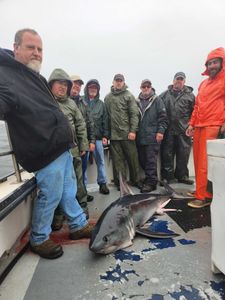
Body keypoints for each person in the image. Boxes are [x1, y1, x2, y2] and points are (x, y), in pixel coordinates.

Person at [0, 29, 93, 259]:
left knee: (68, 190)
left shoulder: (35, 76)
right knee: (50, 194)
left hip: (60, 146)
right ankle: (39, 238)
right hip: (42, 149)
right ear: (16, 48)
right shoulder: (5, 75)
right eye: (31, 47)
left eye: (40, 49)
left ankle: (77, 224)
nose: (37, 53)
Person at [48, 68, 90, 225]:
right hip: (54, 154)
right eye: (59, 83)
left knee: (78, 181)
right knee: (57, 185)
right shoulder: (46, 101)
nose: (62, 87)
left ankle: (82, 208)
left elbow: (81, 125)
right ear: (51, 84)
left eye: (65, 84)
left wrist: (83, 145)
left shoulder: (72, 104)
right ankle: (58, 215)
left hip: (73, 150)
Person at [186, 47, 225, 208]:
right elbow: (197, 106)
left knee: (204, 163)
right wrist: (191, 124)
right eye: (209, 63)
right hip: (200, 125)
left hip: (213, 124)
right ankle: (202, 191)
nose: (212, 66)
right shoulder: (203, 84)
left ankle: (202, 197)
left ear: (222, 63)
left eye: (215, 62)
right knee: (197, 160)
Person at [104, 74, 140, 188]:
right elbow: (106, 117)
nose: (118, 83)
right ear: (113, 82)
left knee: (133, 159)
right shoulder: (107, 97)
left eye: (121, 81)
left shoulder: (129, 96)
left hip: (127, 135)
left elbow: (134, 114)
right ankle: (121, 183)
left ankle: (136, 180)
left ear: (123, 82)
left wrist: (133, 131)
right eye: (116, 81)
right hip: (114, 136)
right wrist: (106, 134)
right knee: (117, 162)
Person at [160, 72, 195, 185]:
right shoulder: (164, 95)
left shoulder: (191, 96)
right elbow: (159, 113)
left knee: (183, 154)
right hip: (168, 131)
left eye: (181, 79)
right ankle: (167, 177)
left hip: (184, 131)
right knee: (167, 154)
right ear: (173, 80)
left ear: (184, 82)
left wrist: (191, 126)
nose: (178, 81)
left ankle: (182, 176)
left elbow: (195, 112)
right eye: (177, 79)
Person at [136, 79, 168, 192]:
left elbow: (163, 118)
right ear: (140, 88)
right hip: (140, 137)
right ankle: (149, 178)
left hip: (153, 136)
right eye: (143, 86)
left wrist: (160, 132)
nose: (145, 88)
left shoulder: (157, 100)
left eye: (147, 86)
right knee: (142, 160)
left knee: (151, 161)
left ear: (151, 87)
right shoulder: (137, 101)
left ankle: (152, 182)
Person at [70, 75, 96, 202]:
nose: (77, 86)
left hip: (83, 146)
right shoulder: (62, 101)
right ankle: (73, 198)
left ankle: (82, 194)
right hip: (69, 148)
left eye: (79, 85)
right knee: (71, 175)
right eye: (74, 83)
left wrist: (91, 141)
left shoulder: (84, 103)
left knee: (82, 172)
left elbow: (90, 123)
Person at [83, 79, 110, 194]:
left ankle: (102, 183)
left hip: (98, 138)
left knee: (101, 161)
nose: (93, 89)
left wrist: (105, 135)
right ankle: (83, 187)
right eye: (91, 87)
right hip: (84, 138)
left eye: (95, 88)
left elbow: (105, 120)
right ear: (87, 89)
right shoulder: (81, 101)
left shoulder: (101, 104)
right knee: (83, 164)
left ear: (98, 90)